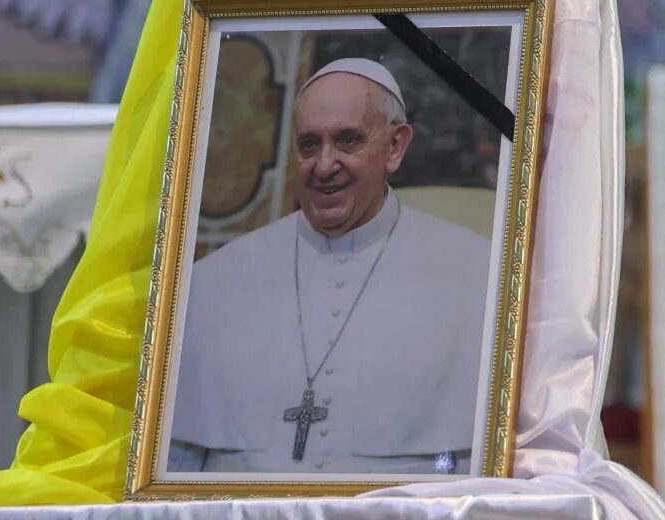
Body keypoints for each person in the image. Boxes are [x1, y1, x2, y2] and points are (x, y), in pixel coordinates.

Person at [169, 58, 492, 475]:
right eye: (309, 144)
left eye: (348, 141)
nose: (323, 166)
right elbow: (176, 471)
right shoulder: (213, 282)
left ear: (395, 147)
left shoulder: (477, 275)